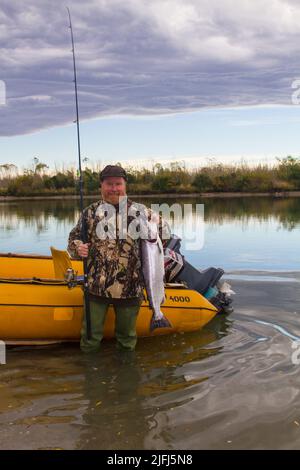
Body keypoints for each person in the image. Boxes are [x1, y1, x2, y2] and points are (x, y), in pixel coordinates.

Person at [67, 165, 170, 353]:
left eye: (118, 184)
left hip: (131, 287)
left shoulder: (142, 212)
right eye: (109, 184)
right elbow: (73, 241)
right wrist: (77, 247)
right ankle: (92, 376)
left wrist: (159, 223)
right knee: (90, 338)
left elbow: (166, 234)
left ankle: (127, 378)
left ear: (125, 185)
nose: (114, 188)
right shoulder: (89, 213)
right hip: (95, 286)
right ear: (101, 186)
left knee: (127, 340)